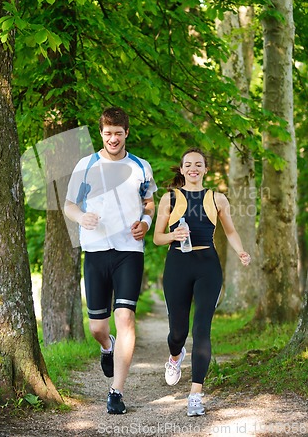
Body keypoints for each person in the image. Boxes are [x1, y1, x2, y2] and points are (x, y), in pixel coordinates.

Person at [64, 107, 157, 414]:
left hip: (129, 251)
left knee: (126, 317)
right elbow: (68, 205)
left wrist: (145, 222)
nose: (113, 138)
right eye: (108, 133)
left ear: (126, 133)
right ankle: (107, 346)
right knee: (97, 327)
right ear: (101, 133)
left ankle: (116, 391)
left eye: (118, 133)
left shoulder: (141, 166)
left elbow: (149, 204)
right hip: (95, 252)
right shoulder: (86, 165)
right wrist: (82, 216)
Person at [153, 148, 250, 417]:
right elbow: (156, 238)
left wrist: (241, 250)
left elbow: (229, 230)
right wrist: (173, 236)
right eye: (188, 164)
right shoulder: (169, 198)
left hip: (208, 265)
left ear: (206, 169)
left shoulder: (217, 198)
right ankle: (175, 356)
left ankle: (195, 394)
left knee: (202, 329)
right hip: (177, 265)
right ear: (182, 170)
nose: (193, 168)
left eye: (199, 164)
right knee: (178, 332)